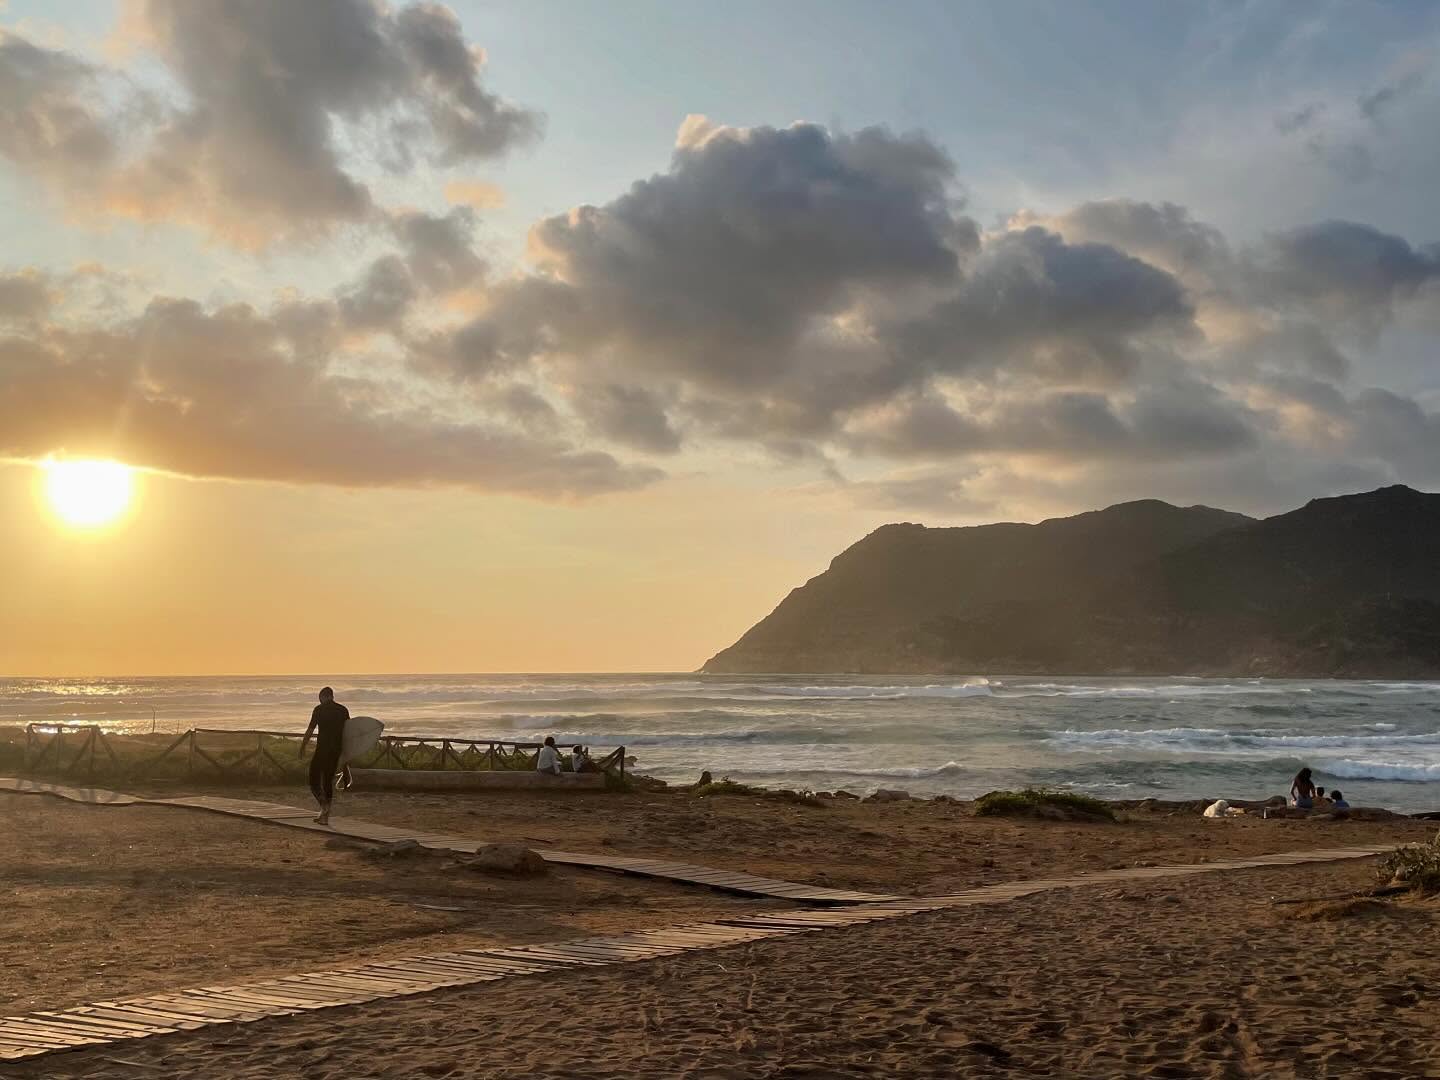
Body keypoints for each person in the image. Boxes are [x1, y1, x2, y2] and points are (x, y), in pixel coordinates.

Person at [301, 687, 349, 824]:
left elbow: (310, 730)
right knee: (327, 781)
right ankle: (325, 817)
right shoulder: (343, 710)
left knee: (313, 780)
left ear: (323, 696)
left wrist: (303, 746)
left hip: (322, 749)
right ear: (332, 696)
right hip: (336, 750)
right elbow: (349, 732)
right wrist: (346, 754)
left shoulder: (319, 709)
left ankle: (324, 806)